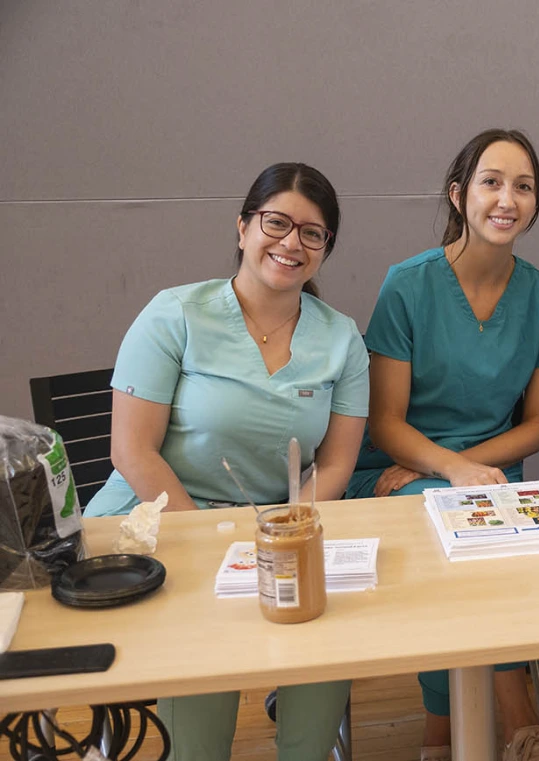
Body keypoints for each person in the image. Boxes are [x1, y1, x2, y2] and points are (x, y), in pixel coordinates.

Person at [84, 163, 369, 760]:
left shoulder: (342, 338)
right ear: (242, 227)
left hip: (277, 528)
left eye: (312, 233)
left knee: (326, 641)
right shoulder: (175, 314)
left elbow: (337, 464)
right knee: (201, 656)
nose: (291, 242)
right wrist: (211, 540)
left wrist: (284, 535)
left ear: (325, 249)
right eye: (276, 222)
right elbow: (131, 450)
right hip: (162, 522)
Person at [347, 129, 539, 761]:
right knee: (458, 542)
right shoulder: (408, 284)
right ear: (459, 194)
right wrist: (447, 469)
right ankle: (514, 725)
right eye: (491, 182)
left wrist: (466, 471)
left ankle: (443, 737)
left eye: (523, 187)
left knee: (484, 546)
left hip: (492, 476)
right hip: (397, 470)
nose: (508, 198)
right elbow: (386, 422)